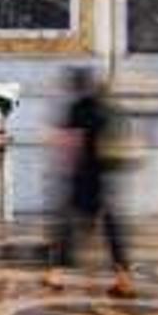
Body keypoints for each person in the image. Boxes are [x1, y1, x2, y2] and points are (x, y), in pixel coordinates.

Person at [45, 67, 133, 296]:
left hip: (83, 174)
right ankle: (123, 277)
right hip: (103, 175)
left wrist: (63, 167)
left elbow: (71, 143)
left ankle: (56, 274)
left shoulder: (78, 108)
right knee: (111, 226)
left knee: (65, 225)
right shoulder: (107, 109)